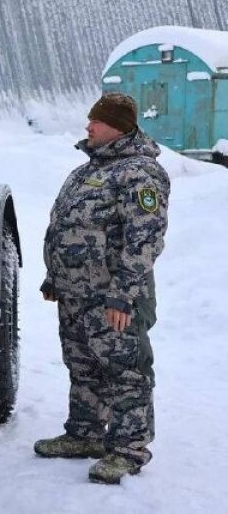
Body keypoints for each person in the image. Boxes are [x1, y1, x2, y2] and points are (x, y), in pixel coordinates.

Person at [35, 92, 170, 484]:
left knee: (125, 370)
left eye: (95, 121)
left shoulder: (139, 172)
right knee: (83, 366)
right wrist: (54, 277)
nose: (88, 126)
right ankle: (85, 435)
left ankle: (129, 449)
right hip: (77, 294)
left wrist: (123, 295)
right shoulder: (87, 171)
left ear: (118, 127)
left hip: (114, 298)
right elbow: (64, 227)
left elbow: (144, 238)